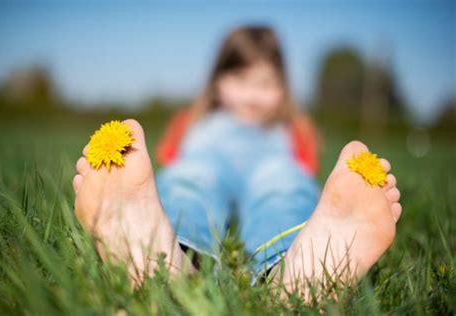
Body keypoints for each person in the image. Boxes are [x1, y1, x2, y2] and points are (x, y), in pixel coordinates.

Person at [72, 26, 402, 300]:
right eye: (240, 81)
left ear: (282, 89)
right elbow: (172, 163)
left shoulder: (293, 128)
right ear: (217, 83)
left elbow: (303, 171)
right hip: (206, 167)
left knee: (281, 185)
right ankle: (170, 254)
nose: (252, 95)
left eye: (265, 84)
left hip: (269, 171)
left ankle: (296, 268)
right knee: (191, 179)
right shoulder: (193, 120)